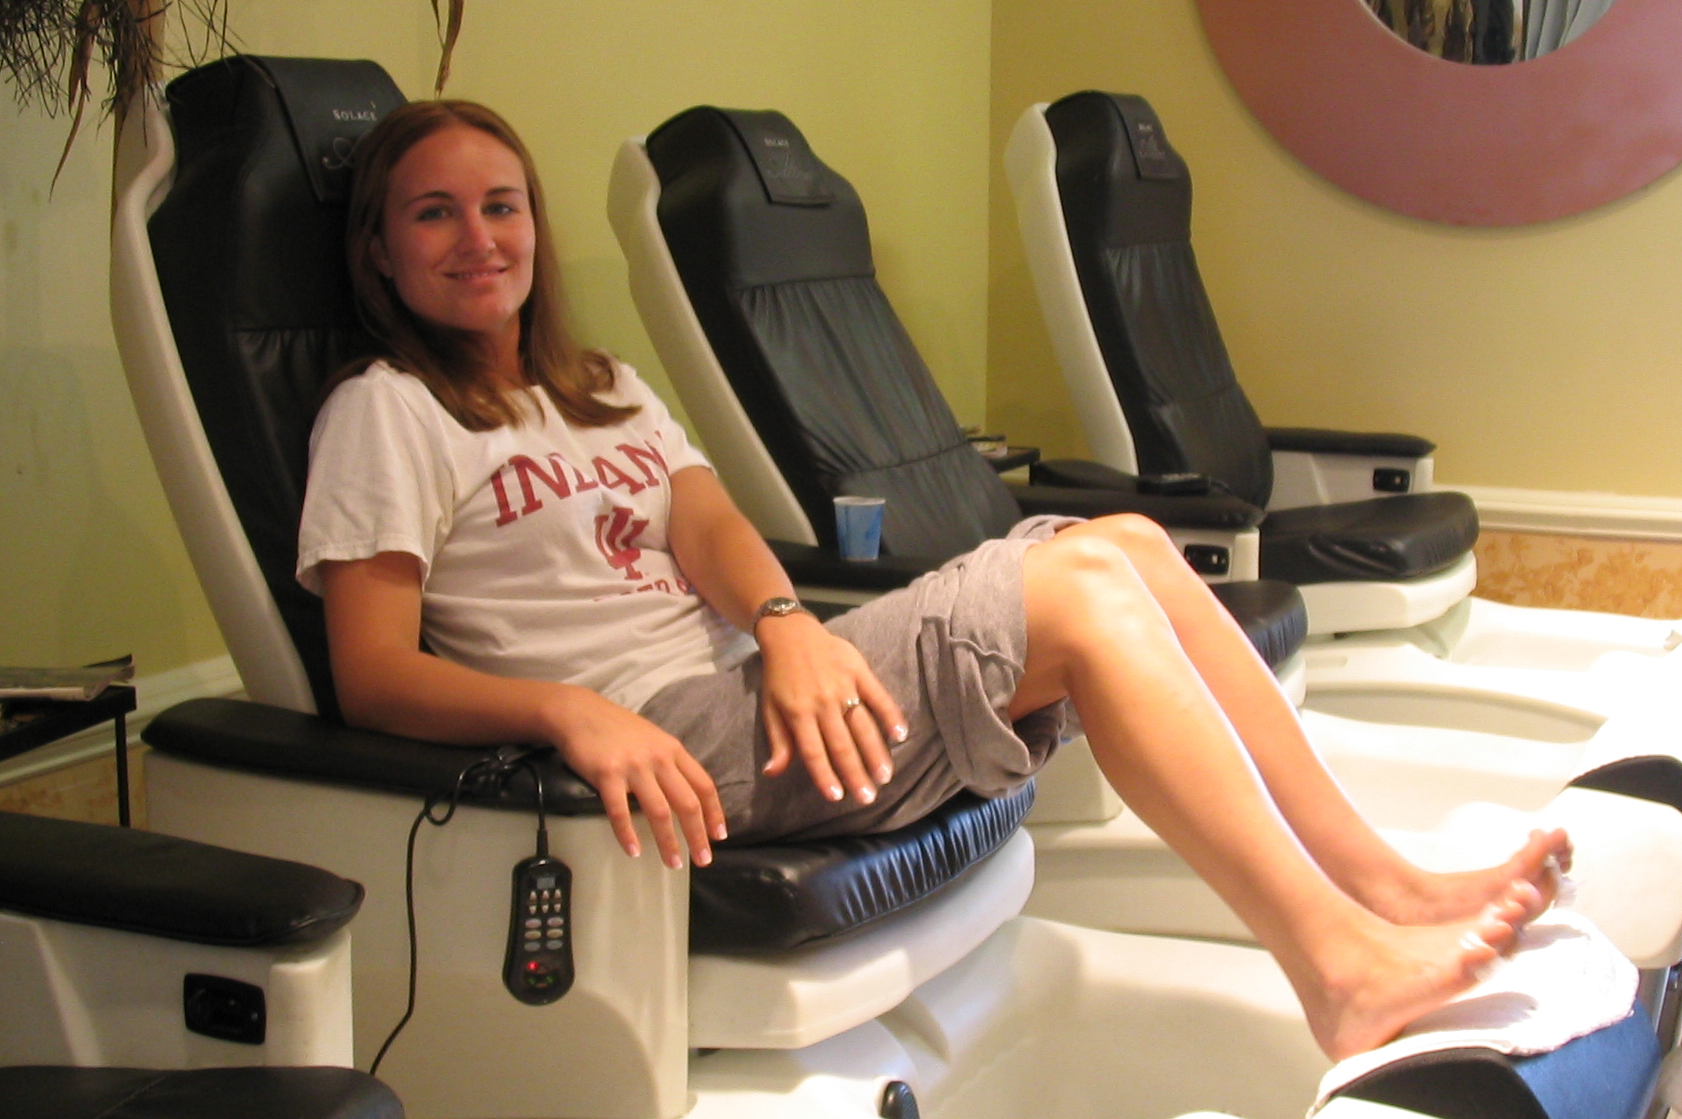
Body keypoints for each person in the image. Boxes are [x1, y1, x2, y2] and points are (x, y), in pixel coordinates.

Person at [297, 100, 1570, 1061]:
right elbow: (371, 675)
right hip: (658, 750)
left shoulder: (600, 387)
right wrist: (568, 712)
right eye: (434, 213)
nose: (480, 238)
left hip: (746, 691)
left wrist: (789, 628)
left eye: (502, 205)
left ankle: (1380, 886)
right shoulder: (388, 412)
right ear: (380, 252)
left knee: (1126, 542)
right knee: (1081, 594)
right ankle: (1338, 973)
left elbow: (711, 526)